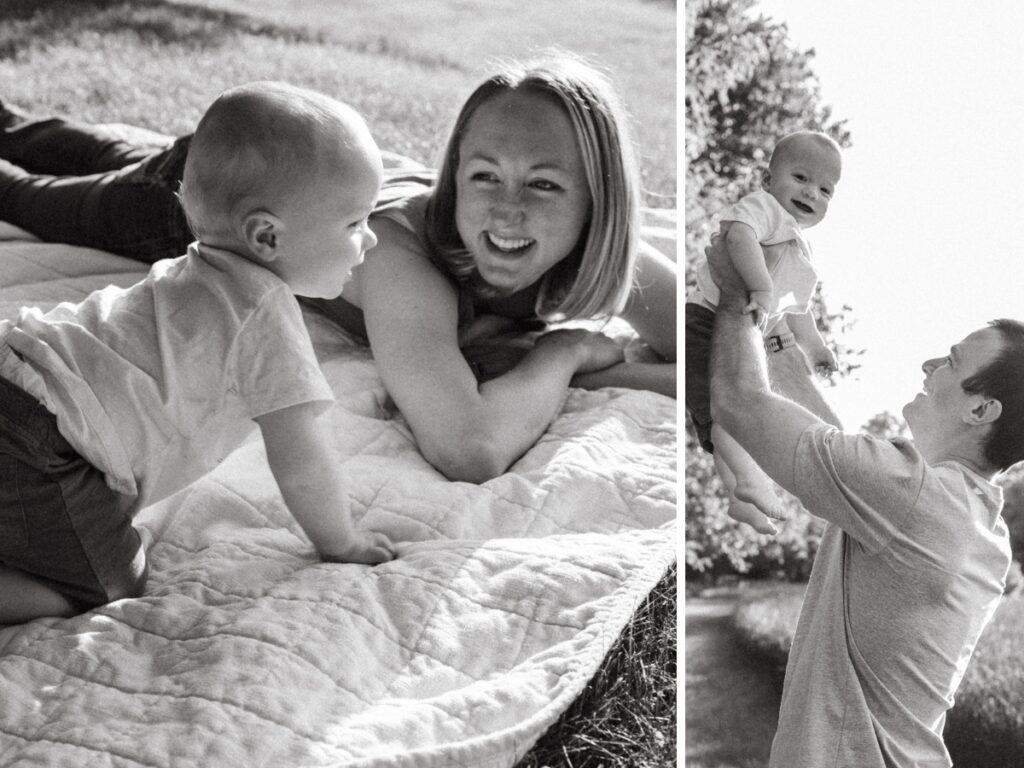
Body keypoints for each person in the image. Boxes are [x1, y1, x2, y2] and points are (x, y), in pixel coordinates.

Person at [0, 53, 677, 484]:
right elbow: (469, 448)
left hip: (284, 175)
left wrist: (604, 363)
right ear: (455, 175)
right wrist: (560, 355)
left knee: (53, 135)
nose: (505, 211)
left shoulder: (610, 254)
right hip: (198, 199)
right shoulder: (398, 257)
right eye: (483, 175)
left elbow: (706, 359)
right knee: (21, 190)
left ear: (600, 201)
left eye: (544, 185)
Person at [0, 82, 396, 625]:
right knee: (106, 579)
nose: (370, 240)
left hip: (19, 367)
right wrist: (343, 541)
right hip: (40, 434)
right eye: (356, 223)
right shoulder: (264, 315)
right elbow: (301, 461)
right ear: (266, 236)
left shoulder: (193, 268)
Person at [706, 235, 1022, 767]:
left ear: (981, 411)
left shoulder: (911, 496)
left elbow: (738, 401)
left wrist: (740, 291)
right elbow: (833, 448)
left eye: (949, 361)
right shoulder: (974, 520)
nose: (927, 365)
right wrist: (778, 332)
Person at [686, 130, 841, 534]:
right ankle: (751, 482)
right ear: (768, 180)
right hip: (705, 322)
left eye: (826, 190)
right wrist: (760, 286)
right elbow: (737, 234)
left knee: (733, 420)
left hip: (742, 334)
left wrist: (816, 349)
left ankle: (741, 497)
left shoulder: (798, 243)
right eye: (802, 178)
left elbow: (797, 311)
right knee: (726, 412)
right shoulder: (766, 210)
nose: (813, 194)